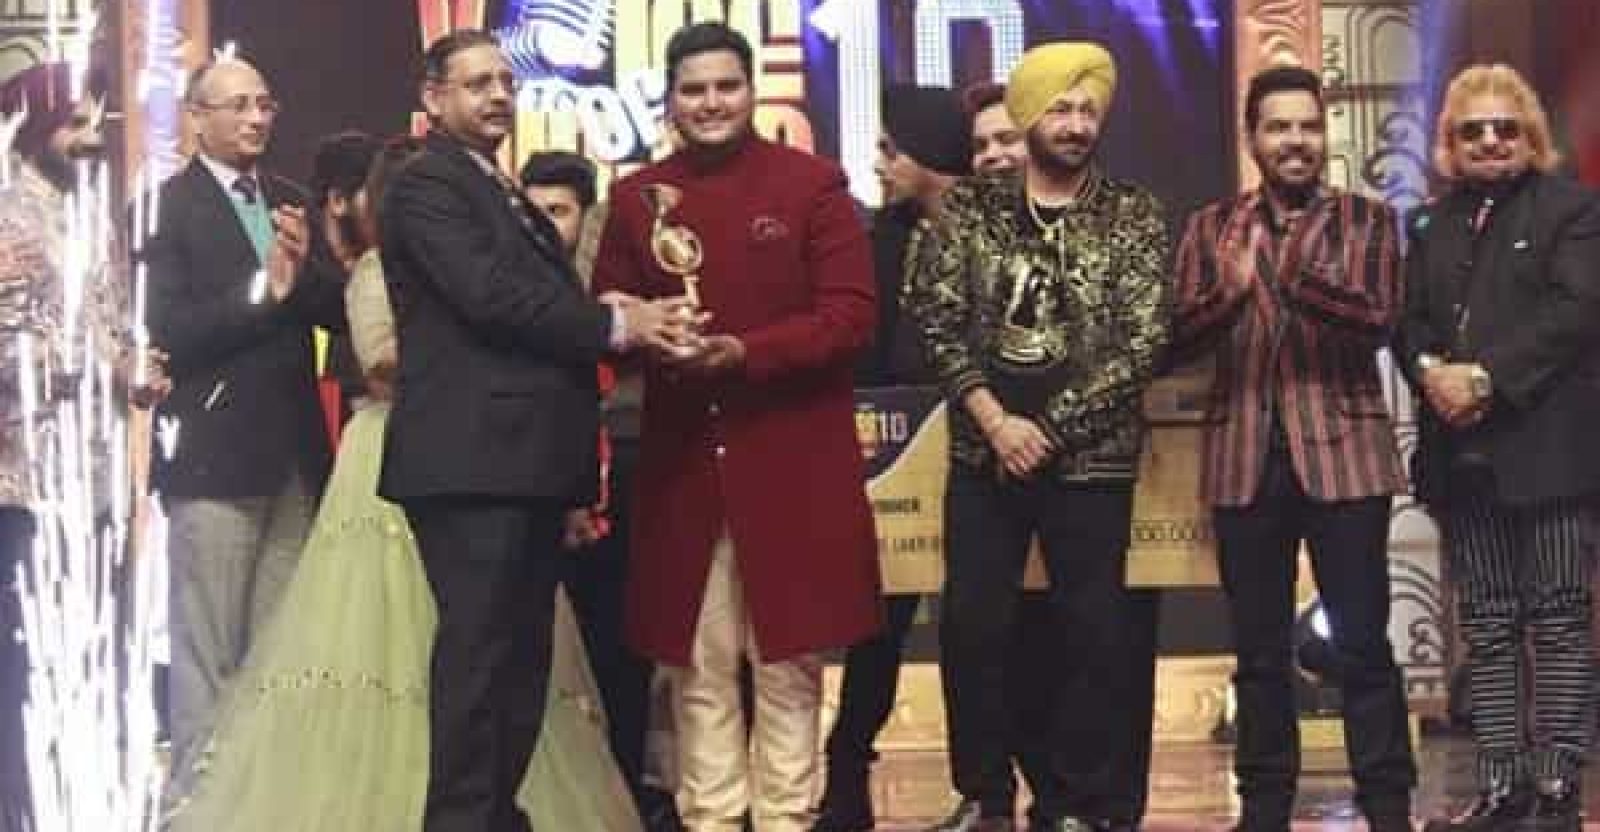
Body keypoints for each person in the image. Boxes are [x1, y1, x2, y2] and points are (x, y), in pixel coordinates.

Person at [161, 134, 645, 832]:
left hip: (469, 451)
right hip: (405, 452)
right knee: (414, 639)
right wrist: (451, 364)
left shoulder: (469, 266)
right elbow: (381, 361)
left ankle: (487, 801)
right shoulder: (376, 273)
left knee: (495, 644)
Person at [378, 30, 689, 832]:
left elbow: (526, 299)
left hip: (519, 461)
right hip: (471, 461)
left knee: (518, 660)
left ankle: (493, 816)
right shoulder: (426, 184)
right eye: (476, 83)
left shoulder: (498, 185)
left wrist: (612, 316)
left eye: (504, 81)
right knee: (482, 661)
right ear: (433, 98)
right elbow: (489, 297)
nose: (497, 95)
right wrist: (614, 324)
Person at [592, 22, 881, 832]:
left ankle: (788, 819)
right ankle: (711, 820)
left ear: (753, 92)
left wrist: (742, 353)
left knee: (790, 667)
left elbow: (851, 317)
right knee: (699, 669)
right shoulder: (636, 198)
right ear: (671, 100)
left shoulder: (813, 185)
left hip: (794, 465)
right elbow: (608, 315)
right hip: (685, 468)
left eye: (726, 86)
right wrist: (644, 328)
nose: (711, 103)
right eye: (693, 89)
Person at [903, 42, 1169, 832]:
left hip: (1091, 459)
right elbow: (936, 320)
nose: (1076, 124)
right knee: (972, 626)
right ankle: (984, 794)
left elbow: (1143, 342)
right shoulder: (970, 210)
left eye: (1088, 110)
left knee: (1093, 635)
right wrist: (995, 421)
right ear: (1028, 116)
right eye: (1060, 109)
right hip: (983, 454)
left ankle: (1074, 802)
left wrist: (1046, 431)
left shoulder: (1134, 213)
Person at [1170, 66, 1418, 832]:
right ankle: (1264, 807)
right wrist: (1227, 292)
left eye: (1308, 126)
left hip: (1345, 454)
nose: (1296, 141)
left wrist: (1281, 275)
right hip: (1243, 458)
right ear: (1252, 138)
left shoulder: (1369, 220)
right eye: (1279, 127)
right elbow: (1172, 341)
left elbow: (1377, 318)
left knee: (1364, 644)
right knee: (1258, 653)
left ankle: (1387, 806)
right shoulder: (1209, 227)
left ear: (1324, 134)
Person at [1396, 64, 1600, 832]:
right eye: (1471, 130)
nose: (1489, 141)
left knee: (1558, 619)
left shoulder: (1573, 209)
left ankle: (1556, 789)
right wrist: (1431, 374)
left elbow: (1575, 311)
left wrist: (1483, 378)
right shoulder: (1428, 222)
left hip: (1551, 456)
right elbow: (1409, 322)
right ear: (1449, 143)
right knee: (1485, 624)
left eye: (1504, 128)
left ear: (1531, 136)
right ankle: (1502, 788)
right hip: (1463, 456)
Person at [143, 55, 339, 803]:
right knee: (206, 647)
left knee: (281, 648)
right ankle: (195, 803)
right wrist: (266, 292)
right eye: (239, 105)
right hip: (214, 459)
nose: (257, 118)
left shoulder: (288, 200)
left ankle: (267, 800)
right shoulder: (165, 208)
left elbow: (328, 306)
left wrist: (306, 270)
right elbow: (168, 329)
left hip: (294, 455)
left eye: (265, 104)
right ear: (197, 117)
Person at [0, 59, 163, 832]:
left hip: (91, 475)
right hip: (19, 479)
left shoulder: (90, 216)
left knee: (88, 651)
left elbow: (110, 323)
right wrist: (66, 365)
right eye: (74, 124)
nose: (91, 138)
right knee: (19, 663)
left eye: (96, 122)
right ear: (31, 128)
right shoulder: (5, 213)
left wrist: (134, 366)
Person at [812, 83, 970, 832]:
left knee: (977, 632)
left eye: (891, 150)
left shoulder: (996, 234)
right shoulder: (879, 241)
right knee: (875, 630)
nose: (878, 164)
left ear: (931, 154)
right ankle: (847, 778)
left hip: (985, 451)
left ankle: (985, 788)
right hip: (895, 454)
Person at [520, 149, 673, 827]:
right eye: (534, 212)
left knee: (620, 641)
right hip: (532, 479)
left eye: (559, 211)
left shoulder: (620, 284)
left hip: (622, 469)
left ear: (588, 217)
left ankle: (630, 789)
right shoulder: (507, 284)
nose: (547, 225)